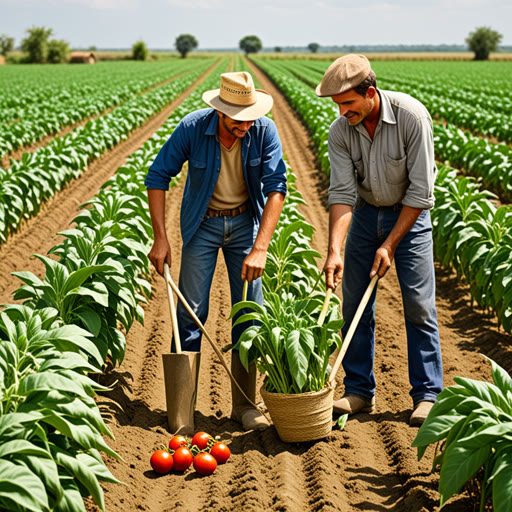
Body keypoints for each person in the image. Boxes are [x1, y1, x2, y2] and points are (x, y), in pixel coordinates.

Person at [145, 72, 287, 431]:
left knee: (249, 315)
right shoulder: (193, 128)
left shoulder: (264, 131)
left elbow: (276, 188)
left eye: (250, 116)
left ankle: (244, 405)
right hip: (202, 225)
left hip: (245, 225)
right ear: (220, 112)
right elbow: (158, 176)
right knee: (190, 313)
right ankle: (182, 412)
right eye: (238, 119)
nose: (245, 125)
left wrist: (261, 247)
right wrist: (160, 238)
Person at [316, 54, 443, 426]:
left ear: (370, 92)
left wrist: (389, 244)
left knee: (419, 305)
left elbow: (421, 192)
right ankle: (358, 392)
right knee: (354, 304)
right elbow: (342, 193)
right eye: (337, 105)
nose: (342, 112)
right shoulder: (341, 132)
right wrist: (334, 251)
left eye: (348, 103)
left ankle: (426, 395)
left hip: (411, 216)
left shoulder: (411, 117)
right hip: (367, 214)